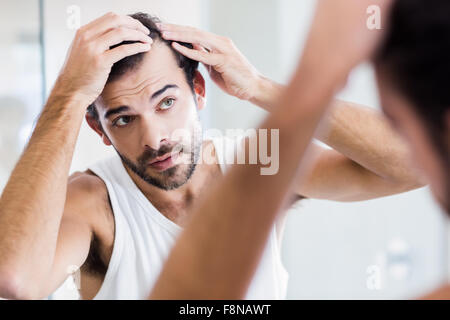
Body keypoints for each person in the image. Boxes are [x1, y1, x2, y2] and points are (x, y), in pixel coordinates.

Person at [0, 4, 420, 300]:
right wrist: (69, 96)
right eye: (124, 119)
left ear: (198, 91)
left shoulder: (258, 165)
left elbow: (414, 165)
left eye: (167, 103)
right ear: (100, 128)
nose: (155, 138)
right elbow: (14, 280)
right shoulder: (94, 203)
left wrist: (259, 87)